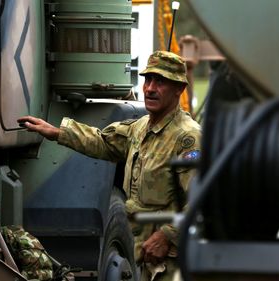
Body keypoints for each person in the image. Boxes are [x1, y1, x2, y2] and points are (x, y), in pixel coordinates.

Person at [18, 50, 201, 281]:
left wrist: (167, 236)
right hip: (147, 261)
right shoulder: (141, 128)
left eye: (161, 82)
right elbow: (103, 142)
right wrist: (56, 132)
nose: (151, 88)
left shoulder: (188, 137)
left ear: (179, 89)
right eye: (148, 80)